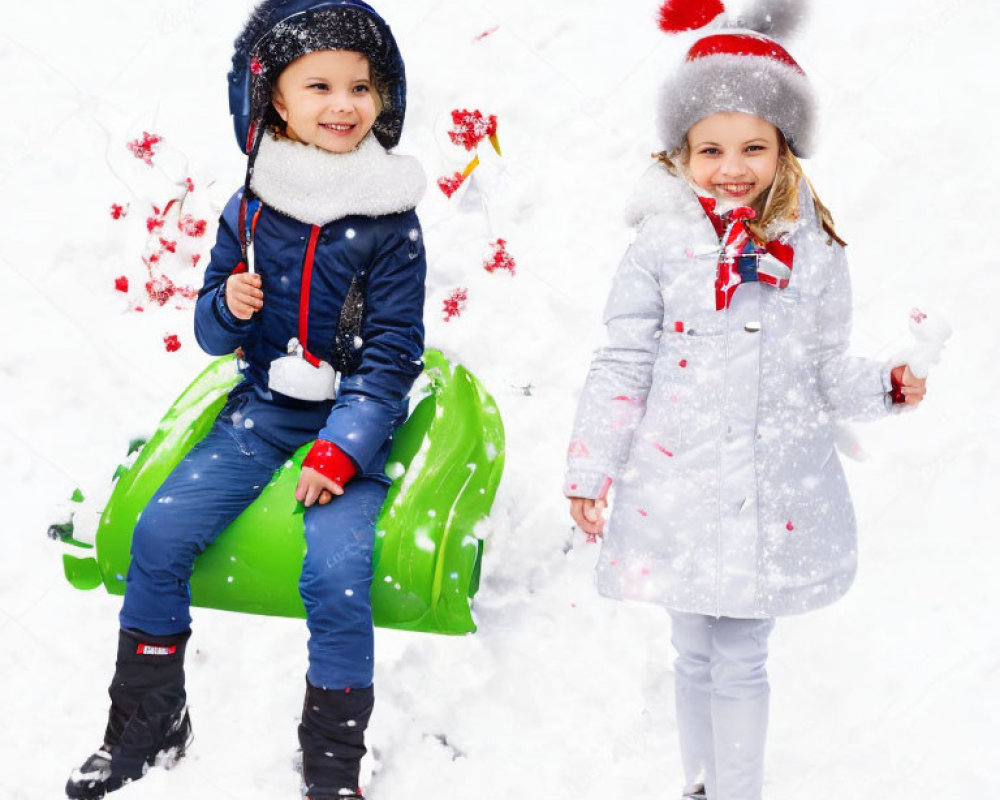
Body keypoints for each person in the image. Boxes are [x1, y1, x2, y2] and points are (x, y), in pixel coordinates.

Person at [564, 3, 927, 799]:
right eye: (712, 149)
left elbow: (828, 370)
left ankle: (739, 792)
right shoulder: (658, 246)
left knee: (743, 657)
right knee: (692, 649)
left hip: (770, 489)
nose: (733, 167)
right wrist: (592, 465)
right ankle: (700, 785)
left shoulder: (816, 249)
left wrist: (886, 387)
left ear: (784, 147)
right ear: (681, 153)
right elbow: (623, 362)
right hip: (679, 483)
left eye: (754, 147)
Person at [66, 2, 426, 798]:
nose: (344, 104)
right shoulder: (251, 205)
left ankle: (331, 764)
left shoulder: (391, 220)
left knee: (334, 572)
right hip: (263, 410)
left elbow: (394, 354)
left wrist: (344, 448)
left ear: (382, 99)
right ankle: (147, 723)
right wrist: (230, 304)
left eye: (361, 87)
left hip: (348, 423)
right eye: (319, 85)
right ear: (273, 102)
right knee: (160, 535)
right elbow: (207, 330)